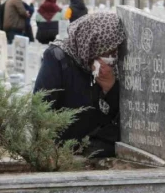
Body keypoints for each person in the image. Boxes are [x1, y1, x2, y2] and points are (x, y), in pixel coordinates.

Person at [33, 13, 126, 158]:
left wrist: (110, 87)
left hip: (99, 148)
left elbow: (117, 115)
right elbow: (42, 106)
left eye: (115, 50)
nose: (112, 56)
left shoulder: (110, 67)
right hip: (62, 150)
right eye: (107, 50)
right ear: (91, 44)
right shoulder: (58, 58)